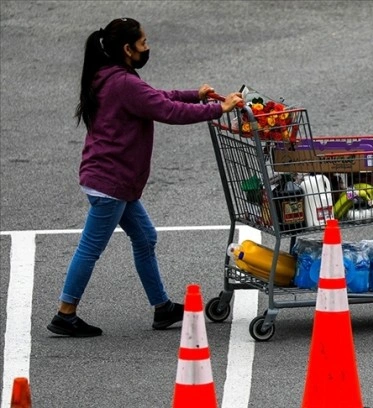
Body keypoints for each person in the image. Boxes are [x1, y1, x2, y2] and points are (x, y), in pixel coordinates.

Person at [47, 17, 243, 337]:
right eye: (143, 43)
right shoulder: (124, 83)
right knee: (91, 248)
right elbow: (167, 111)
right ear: (127, 49)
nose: (147, 47)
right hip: (111, 183)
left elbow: (158, 96)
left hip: (113, 181)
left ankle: (162, 308)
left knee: (145, 237)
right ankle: (65, 313)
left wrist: (196, 94)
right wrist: (217, 110)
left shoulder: (109, 76)